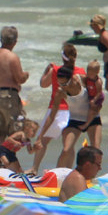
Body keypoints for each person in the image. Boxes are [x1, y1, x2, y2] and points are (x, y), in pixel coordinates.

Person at [34, 43, 82, 173]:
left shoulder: (56, 70)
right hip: (74, 111)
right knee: (69, 146)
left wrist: (47, 70)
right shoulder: (80, 72)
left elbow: (43, 84)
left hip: (56, 109)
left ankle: (34, 168)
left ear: (63, 57)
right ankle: (66, 171)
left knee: (43, 141)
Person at [0, 26, 31, 153]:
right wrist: (26, 75)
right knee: (16, 130)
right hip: (8, 97)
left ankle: (0, 162)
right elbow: (20, 78)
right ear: (15, 42)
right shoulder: (12, 57)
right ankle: (9, 160)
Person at [59, 61, 106, 169]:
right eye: (61, 84)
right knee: (66, 149)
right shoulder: (60, 91)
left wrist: (97, 102)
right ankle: (59, 174)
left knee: (96, 151)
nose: (63, 86)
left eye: (65, 83)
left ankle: (92, 177)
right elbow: (52, 113)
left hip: (93, 119)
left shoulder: (84, 79)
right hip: (75, 120)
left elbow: (99, 91)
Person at [90, 14, 108, 105]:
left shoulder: (105, 36)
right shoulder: (102, 34)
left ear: (97, 25)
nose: (91, 27)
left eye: (93, 25)